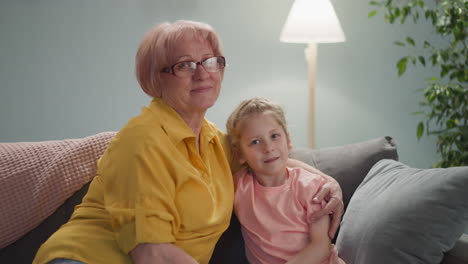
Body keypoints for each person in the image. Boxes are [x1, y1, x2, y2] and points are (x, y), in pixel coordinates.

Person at [33, 20, 343, 264]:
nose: (202, 74)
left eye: (210, 61)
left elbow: (271, 158)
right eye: (184, 65)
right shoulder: (142, 140)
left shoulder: (213, 141)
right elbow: (151, 254)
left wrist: (328, 182)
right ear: (157, 77)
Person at [226, 97, 346, 264]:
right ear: (239, 154)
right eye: (255, 142)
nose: (268, 148)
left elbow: (321, 246)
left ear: (288, 140)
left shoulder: (311, 187)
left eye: (274, 136)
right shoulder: (239, 187)